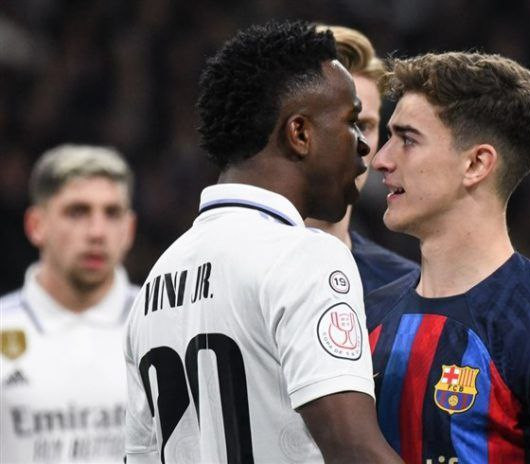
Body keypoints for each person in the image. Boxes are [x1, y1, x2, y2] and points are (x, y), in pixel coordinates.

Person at [123, 20, 400, 463]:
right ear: (300, 133)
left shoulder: (155, 282)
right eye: (352, 123)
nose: (364, 147)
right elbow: (354, 451)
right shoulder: (306, 255)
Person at [366, 52, 530, 463]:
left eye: (408, 140)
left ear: (476, 164)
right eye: (388, 138)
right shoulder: (370, 312)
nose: (381, 160)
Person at [0, 144, 138, 463]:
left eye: (112, 213)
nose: (97, 232)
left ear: (129, 229)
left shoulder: (165, 324)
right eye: (77, 212)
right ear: (36, 225)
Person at [305, 25, 417, 296]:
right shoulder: (223, 267)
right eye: (337, 123)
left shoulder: (409, 288)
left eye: (365, 126)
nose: (356, 143)